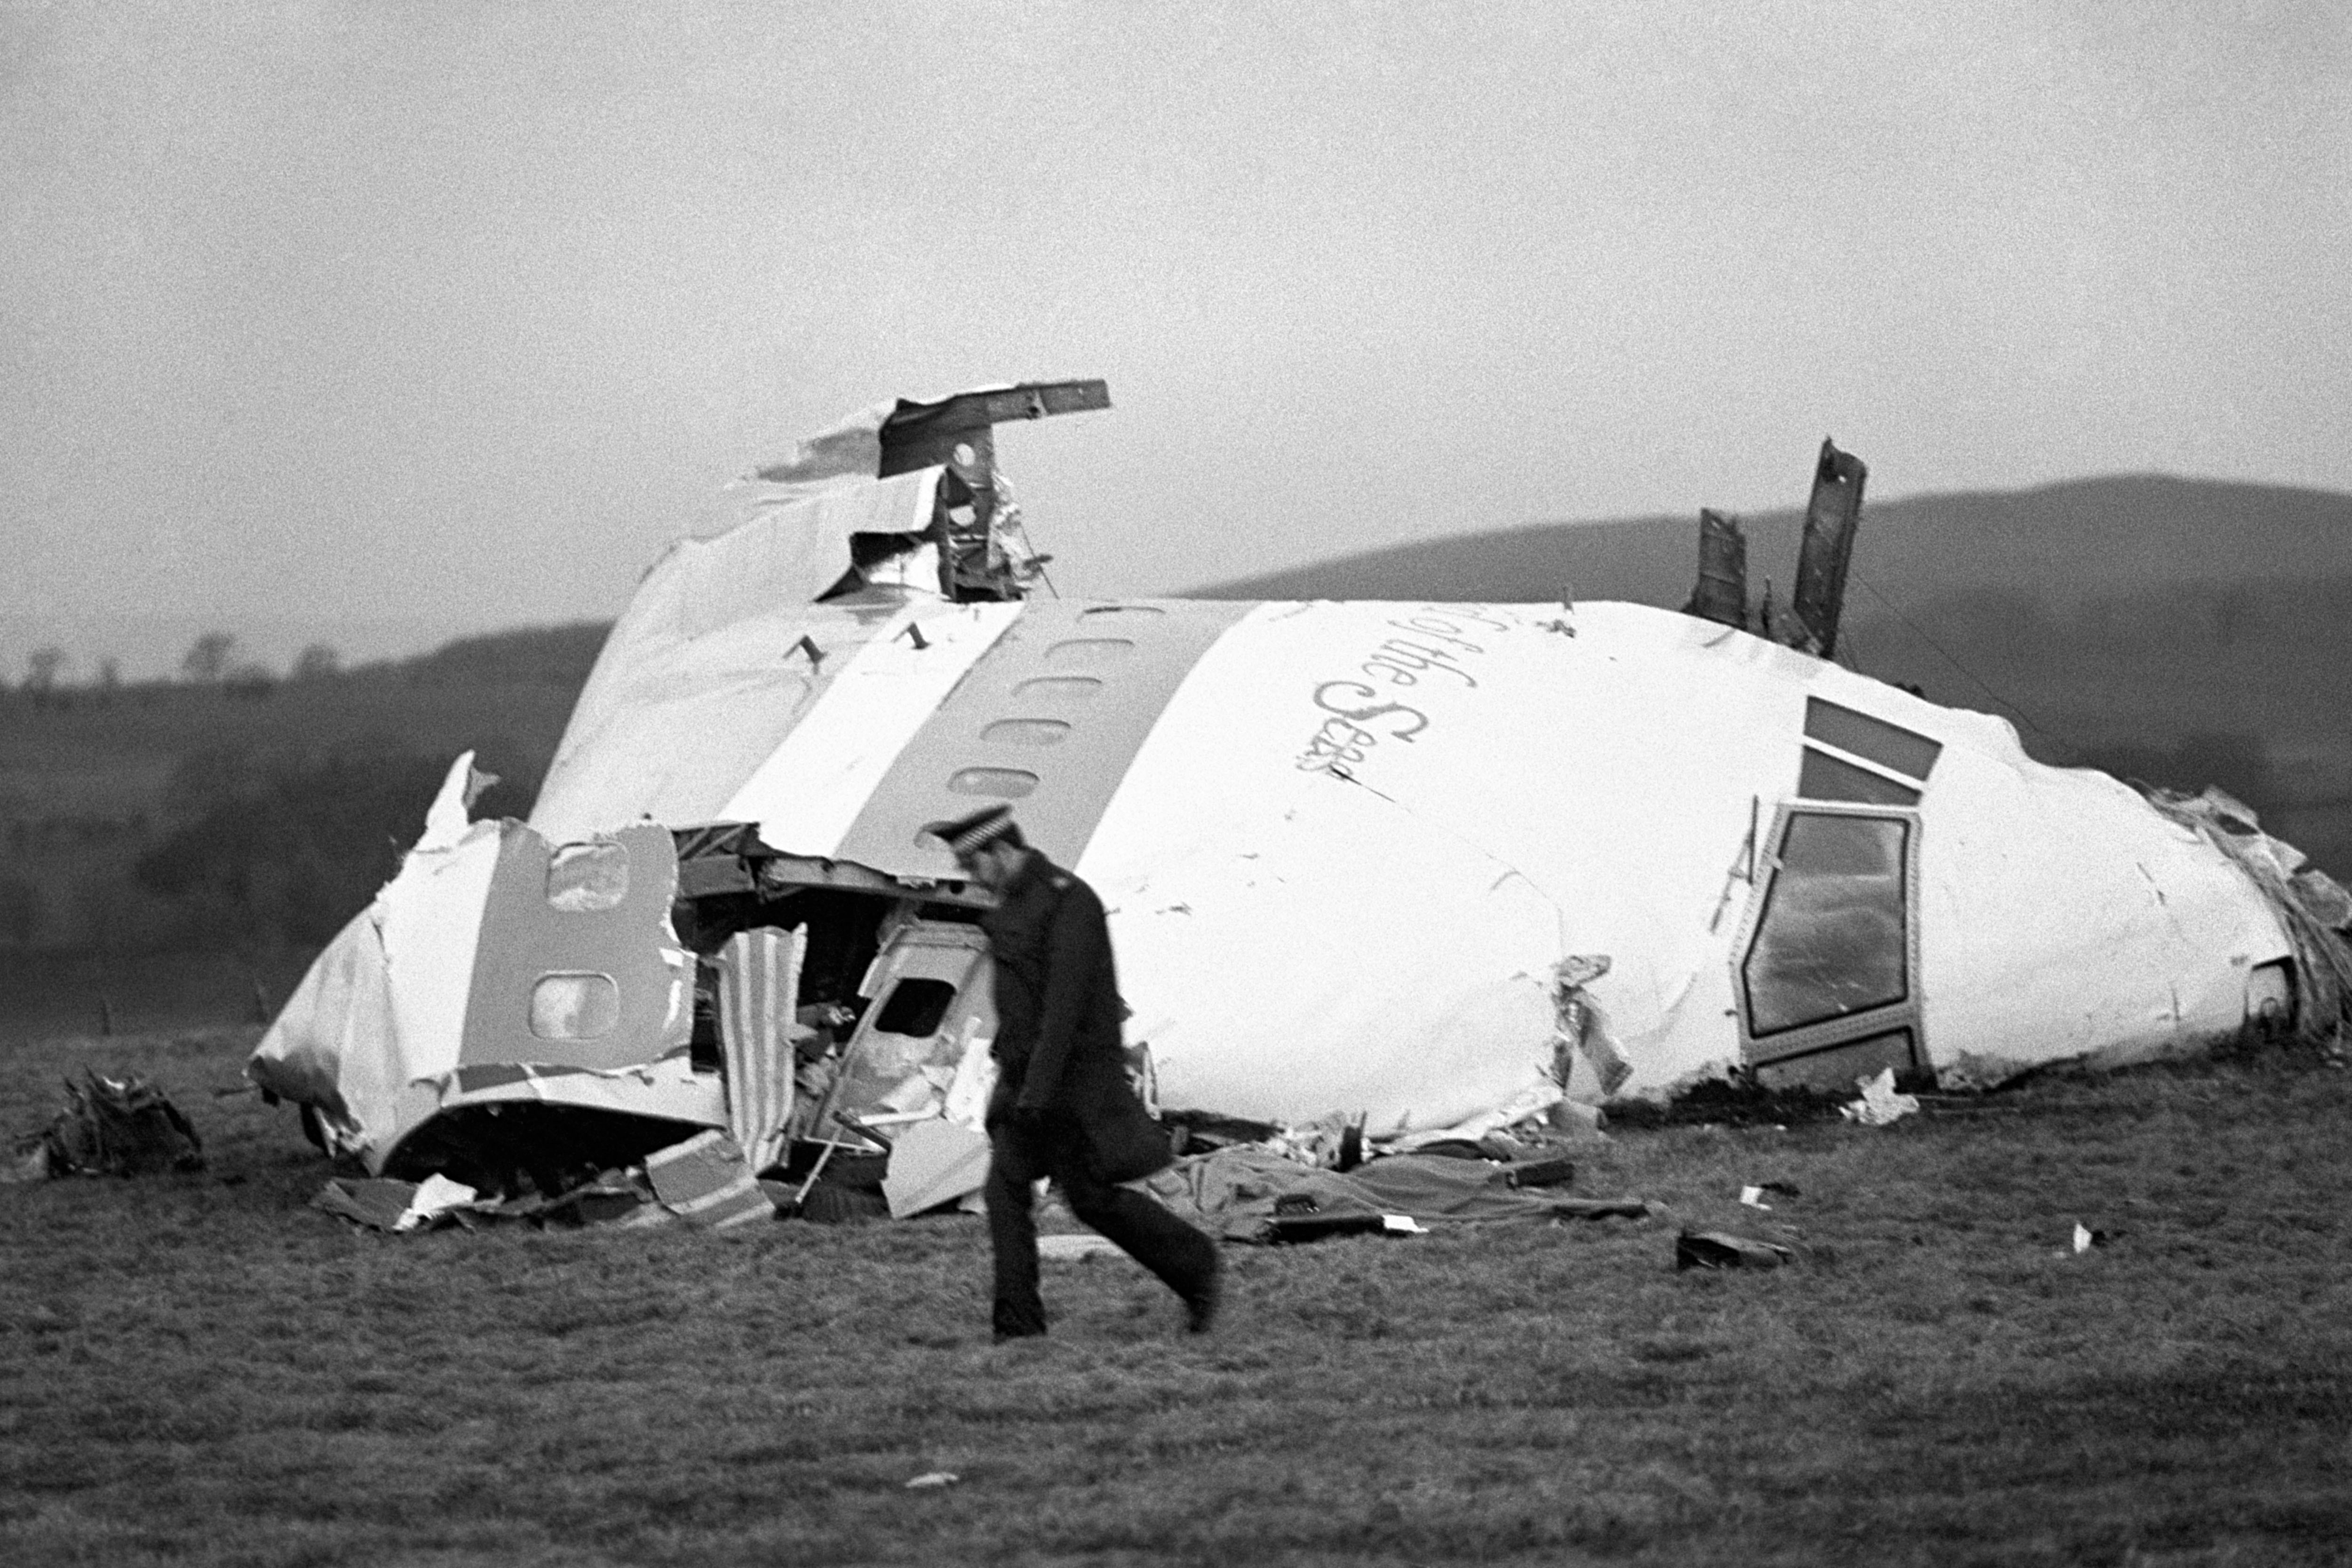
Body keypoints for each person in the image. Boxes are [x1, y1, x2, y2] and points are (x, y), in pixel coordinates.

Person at [922, 804, 1222, 1341]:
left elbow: (1062, 1011)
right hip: (1028, 1085)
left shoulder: (1069, 902)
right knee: (1005, 1192)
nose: (970, 876)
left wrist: (1034, 1097)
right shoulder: (1013, 906)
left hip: (1070, 1089)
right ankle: (1017, 1327)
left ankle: (1197, 1267)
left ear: (1003, 852)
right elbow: (1018, 1012)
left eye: (974, 864)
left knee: (1091, 1200)